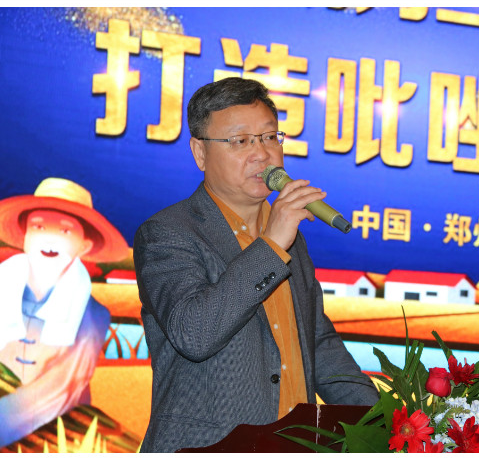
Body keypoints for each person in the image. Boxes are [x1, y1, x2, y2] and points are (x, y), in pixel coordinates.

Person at [133, 77, 379, 452]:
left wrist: (389, 424)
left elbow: (317, 345)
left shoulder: (290, 239)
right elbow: (194, 334)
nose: (262, 154)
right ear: (200, 153)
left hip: (293, 445)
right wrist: (272, 244)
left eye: (269, 137)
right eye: (240, 141)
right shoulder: (167, 233)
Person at [0, 177, 130, 451]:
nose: (49, 239)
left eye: (65, 231)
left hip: (55, 432)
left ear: (84, 246)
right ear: (25, 236)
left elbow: (61, 387)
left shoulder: (92, 316)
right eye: (38, 227)